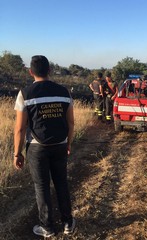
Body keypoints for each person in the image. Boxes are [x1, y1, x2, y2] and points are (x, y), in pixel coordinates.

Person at [13, 55, 75, 238]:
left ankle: (47, 228)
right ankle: (68, 223)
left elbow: (20, 128)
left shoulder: (25, 93)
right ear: (49, 71)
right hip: (60, 145)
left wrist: (17, 153)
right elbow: (71, 123)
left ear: (31, 72)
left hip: (37, 148)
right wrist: (68, 143)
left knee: (42, 187)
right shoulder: (64, 92)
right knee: (61, 183)